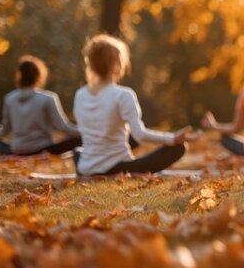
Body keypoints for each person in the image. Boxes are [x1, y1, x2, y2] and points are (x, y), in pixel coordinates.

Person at [73, 35, 198, 176]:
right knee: (178, 148)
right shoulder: (123, 95)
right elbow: (140, 135)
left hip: (86, 167)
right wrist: (173, 138)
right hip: (118, 167)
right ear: (117, 63)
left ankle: (92, 169)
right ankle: (120, 172)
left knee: (78, 152)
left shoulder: (80, 95)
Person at [0, 55, 81, 156]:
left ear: (19, 76)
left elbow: (4, 131)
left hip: (18, 150)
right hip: (43, 149)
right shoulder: (48, 98)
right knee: (78, 138)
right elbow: (63, 127)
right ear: (39, 75)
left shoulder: (9, 98)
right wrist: (86, 132)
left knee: (0, 143)